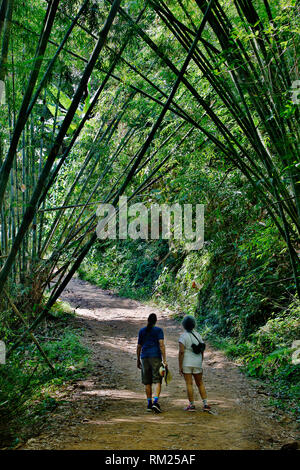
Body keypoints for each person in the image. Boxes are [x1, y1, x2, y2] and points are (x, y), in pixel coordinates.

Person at [178, 315, 211, 412]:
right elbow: (202, 350)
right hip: (197, 362)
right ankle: (205, 404)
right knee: (200, 383)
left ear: (184, 325)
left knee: (189, 384)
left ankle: (191, 405)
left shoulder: (183, 337)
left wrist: (180, 366)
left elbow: (181, 352)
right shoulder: (198, 335)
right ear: (194, 324)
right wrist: (201, 361)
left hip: (187, 363)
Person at [137, 313, 167, 413]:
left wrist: (138, 359)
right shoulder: (158, 330)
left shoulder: (142, 331)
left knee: (147, 381)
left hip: (144, 357)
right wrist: (165, 360)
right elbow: (161, 345)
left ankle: (149, 404)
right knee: (158, 380)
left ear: (148, 320)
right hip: (156, 357)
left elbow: (139, 346)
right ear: (156, 321)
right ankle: (155, 402)